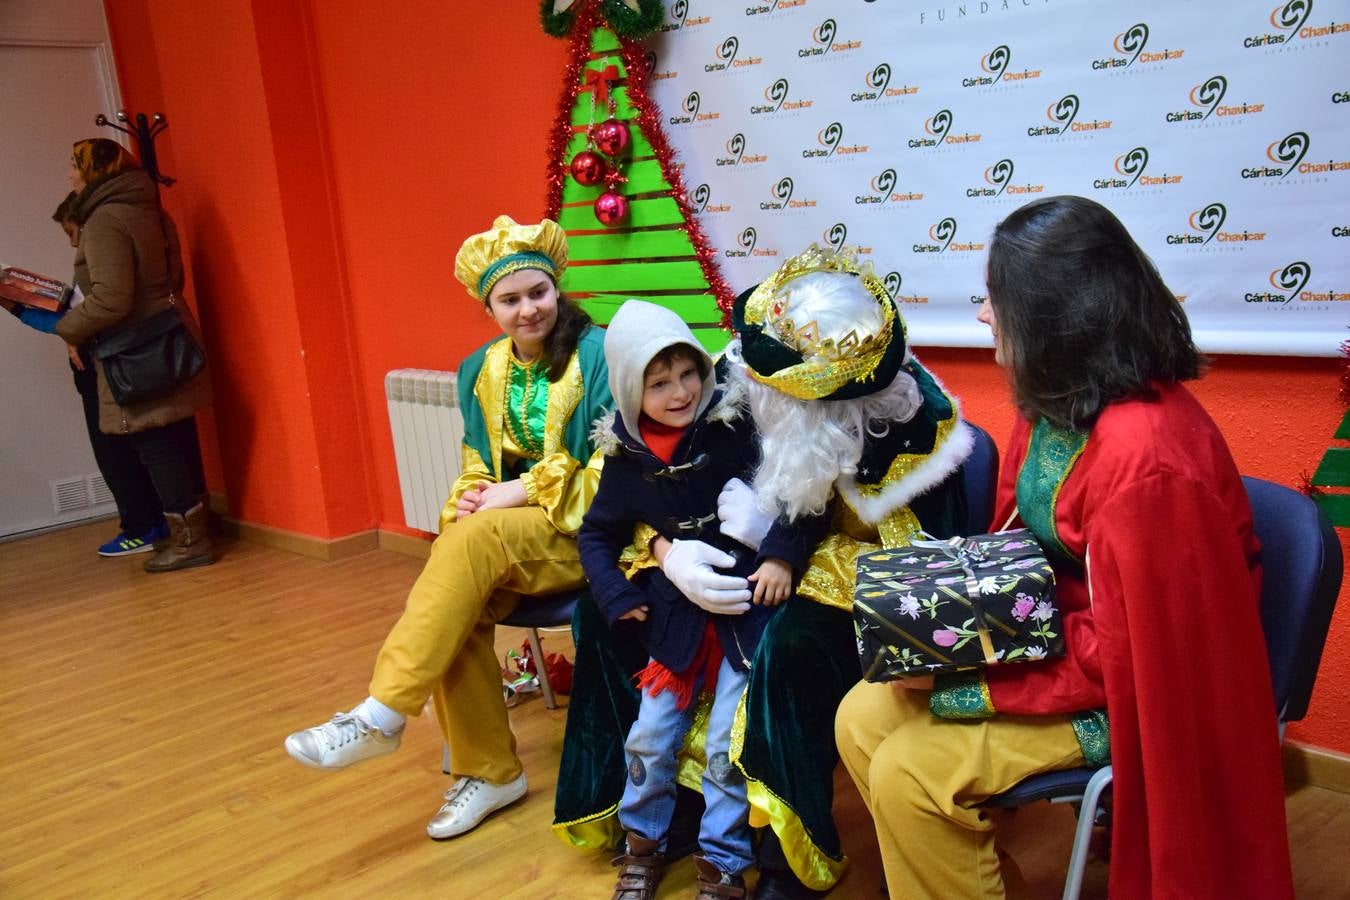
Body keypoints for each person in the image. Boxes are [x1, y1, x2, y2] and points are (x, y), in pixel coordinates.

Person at [835, 195, 1294, 899]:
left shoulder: (1147, 463)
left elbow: (1131, 655)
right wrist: (942, 641)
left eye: (995, 299)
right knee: (861, 714)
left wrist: (973, 681)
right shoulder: (1062, 401)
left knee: (910, 774)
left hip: (1139, 693)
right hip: (1068, 646)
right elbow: (1018, 554)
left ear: (1052, 317)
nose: (985, 315)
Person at [555, 246, 974, 898]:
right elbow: (627, 502)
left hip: (836, 597)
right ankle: (658, 821)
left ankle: (778, 852)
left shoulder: (911, 432)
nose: (766, 404)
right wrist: (669, 553)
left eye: (795, 399)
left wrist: (777, 545)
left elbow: (922, 581)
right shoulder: (724, 377)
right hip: (722, 572)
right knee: (601, 616)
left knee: (784, 651)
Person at [284, 215, 614, 840]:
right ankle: (490, 772)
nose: (527, 311)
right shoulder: (479, 370)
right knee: (460, 592)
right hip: (504, 540)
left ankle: (382, 714)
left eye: (537, 293)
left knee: (467, 548)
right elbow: (474, 463)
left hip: (588, 531)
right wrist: (469, 499)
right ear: (488, 307)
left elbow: (615, 463)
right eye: (509, 301)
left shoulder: (597, 355)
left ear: (557, 286)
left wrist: (520, 490)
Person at [580, 300, 826, 899]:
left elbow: (801, 494)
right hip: (677, 624)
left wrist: (778, 554)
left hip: (747, 612)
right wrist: (615, 591)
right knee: (651, 734)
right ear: (629, 391)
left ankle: (721, 863)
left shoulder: (736, 427)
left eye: (687, 372)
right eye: (658, 383)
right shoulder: (625, 461)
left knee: (725, 744)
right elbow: (595, 534)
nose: (680, 391)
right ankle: (643, 845)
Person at [52, 139, 211, 572]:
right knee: (175, 436)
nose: (69, 175)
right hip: (170, 336)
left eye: (74, 165)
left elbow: (112, 300)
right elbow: (173, 277)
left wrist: (65, 328)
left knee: (154, 442)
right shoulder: (149, 209)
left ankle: (189, 542)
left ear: (94, 170)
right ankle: (192, 533)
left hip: (135, 350)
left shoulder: (103, 220)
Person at [2, 191, 168, 556]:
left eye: (74, 233)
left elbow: (85, 318)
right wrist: (18, 307)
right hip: (104, 364)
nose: (74, 243)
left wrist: (67, 330)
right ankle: (148, 522)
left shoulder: (103, 268)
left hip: (107, 366)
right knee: (122, 449)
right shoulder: (98, 267)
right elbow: (70, 319)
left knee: (116, 451)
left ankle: (142, 527)